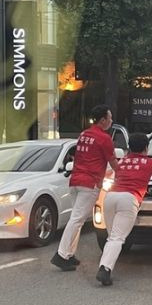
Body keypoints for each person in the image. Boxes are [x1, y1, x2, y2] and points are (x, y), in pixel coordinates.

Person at [96, 133, 152, 286]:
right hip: (129, 199)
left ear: (129, 148)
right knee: (117, 238)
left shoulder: (121, 162)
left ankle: (105, 266)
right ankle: (104, 269)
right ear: (146, 147)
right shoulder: (150, 162)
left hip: (110, 197)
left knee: (112, 236)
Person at [51, 105, 118, 271]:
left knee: (77, 219)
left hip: (75, 181)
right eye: (109, 118)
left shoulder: (84, 135)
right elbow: (113, 162)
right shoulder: (104, 138)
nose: (111, 120)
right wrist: (124, 176)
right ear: (103, 120)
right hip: (90, 183)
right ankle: (61, 254)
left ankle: (68, 254)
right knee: (77, 219)